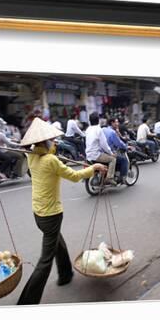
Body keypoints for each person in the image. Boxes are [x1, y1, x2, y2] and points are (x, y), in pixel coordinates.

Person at [16, 118, 107, 305]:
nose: (54, 142)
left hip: (39, 214)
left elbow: (33, 152)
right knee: (45, 260)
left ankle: (65, 274)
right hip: (51, 214)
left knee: (57, 241)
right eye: (51, 140)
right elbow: (75, 176)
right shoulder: (51, 161)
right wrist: (94, 168)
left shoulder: (32, 156)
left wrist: (50, 151)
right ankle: (26, 303)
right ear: (44, 142)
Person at [85, 112, 117, 184]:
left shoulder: (88, 129)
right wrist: (111, 153)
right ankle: (109, 177)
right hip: (96, 155)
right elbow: (104, 145)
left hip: (88, 155)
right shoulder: (99, 130)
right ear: (98, 120)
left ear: (90, 121)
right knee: (113, 159)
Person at [102, 118, 130, 184]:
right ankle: (122, 178)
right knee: (124, 160)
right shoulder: (112, 132)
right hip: (109, 152)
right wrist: (126, 147)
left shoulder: (103, 129)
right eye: (116, 122)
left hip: (102, 152)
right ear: (112, 123)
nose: (118, 124)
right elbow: (118, 143)